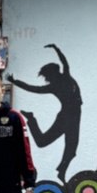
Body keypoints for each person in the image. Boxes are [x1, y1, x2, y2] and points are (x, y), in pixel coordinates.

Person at [7, 43, 83, 183]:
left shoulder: (65, 77)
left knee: (71, 150)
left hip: (73, 116)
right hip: (67, 117)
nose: (47, 80)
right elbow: (33, 88)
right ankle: (31, 119)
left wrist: (57, 49)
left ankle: (61, 171)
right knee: (45, 143)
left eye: (48, 76)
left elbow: (64, 62)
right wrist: (14, 82)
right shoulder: (55, 85)